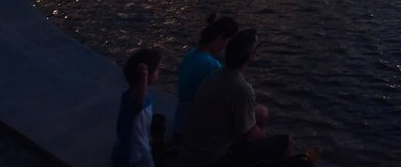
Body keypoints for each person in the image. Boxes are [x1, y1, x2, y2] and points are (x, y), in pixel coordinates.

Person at [180, 29, 314, 167]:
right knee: (285, 142)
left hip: (193, 153)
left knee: (261, 112)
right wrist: (262, 134)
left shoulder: (215, 75)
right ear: (251, 56)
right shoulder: (242, 89)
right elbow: (251, 135)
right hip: (214, 159)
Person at [175, 14, 239, 140]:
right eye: (227, 41)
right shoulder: (213, 66)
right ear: (220, 38)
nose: (225, 46)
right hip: (195, 130)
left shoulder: (189, 55)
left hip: (180, 123)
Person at [111, 48, 163, 167]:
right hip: (136, 154)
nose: (159, 71)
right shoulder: (135, 100)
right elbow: (138, 105)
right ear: (146, 75)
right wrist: (143, 78)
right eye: (157, 69)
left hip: (131, 148)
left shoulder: (130, 96)